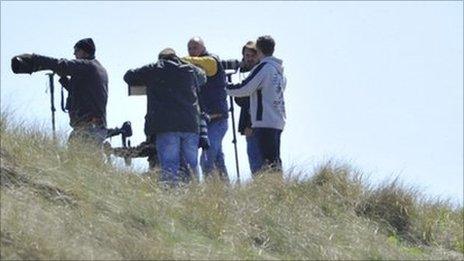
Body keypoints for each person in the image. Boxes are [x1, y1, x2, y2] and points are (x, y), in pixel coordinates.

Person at [123, 48, 206, 186]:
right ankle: (193, 196)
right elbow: (203, 77)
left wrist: (150, 80)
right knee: (191, 166)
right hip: (190, 125)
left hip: (167, 126)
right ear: (176, 57)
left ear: (160, 58)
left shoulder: (154, 68)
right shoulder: (190, 70)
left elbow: (128, 76)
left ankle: (172, 199)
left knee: (169, 166)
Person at [11, 38, 109, 146]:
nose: (74, 53)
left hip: (89, 129)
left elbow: (62, 65)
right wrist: (64, 80)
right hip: (91, 128)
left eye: (76, 50)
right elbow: (82, 92)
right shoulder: (96, 68)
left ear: (85, 52)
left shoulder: (88, 66)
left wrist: (34, 59)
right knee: (80, 161)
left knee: (77, 161)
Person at [226, 35, 286, 173]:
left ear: (258, 50)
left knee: (265, 163)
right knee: (274, 161)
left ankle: (271, 191)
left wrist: (225, 87)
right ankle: (278, 189)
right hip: (277, 120)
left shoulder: (264, 67)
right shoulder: (278, 70)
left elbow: (245, 88)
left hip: (264, 121)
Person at [183, 37, 229, 181]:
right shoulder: (192, 68)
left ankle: (210, 192)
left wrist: (178, 59)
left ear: (203, 47)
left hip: (217, 118)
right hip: (205, 120)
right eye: (190, 48)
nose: (192, 51)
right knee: (217, 159)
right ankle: (224, 190)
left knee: (207, 158)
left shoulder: (211, 61)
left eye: (195, 47)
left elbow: (208, 63)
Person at [233, 41, 263, 175]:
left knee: (260, 158)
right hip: (250, 121)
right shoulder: (246, 73)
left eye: (252, 56)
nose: (249, 59)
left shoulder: (261, 73)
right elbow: (240, 99)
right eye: (247, 56)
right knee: (254, 158)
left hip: (259, 121)